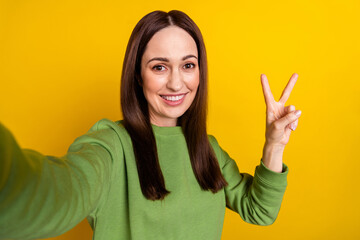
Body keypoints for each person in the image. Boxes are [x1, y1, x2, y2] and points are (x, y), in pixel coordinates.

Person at [0, 10, 301, 240]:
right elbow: (60, 192)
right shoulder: (111, 145)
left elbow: (259, 210)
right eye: (159, 66)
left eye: (188, 65)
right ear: (137, 75)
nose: (176, 82)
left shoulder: (206, 149)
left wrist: (274, 144)